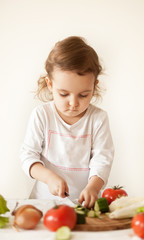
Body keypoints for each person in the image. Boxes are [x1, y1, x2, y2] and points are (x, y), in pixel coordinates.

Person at [20, 36, 114, 208]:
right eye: (64, 94)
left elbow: (103, 159)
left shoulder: (98, 119)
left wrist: (93, 187)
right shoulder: (42, 115)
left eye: (83, 94)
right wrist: (48, 177)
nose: (73, 103)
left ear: (94, 85)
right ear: (49, 84)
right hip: (42, 203)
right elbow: (27, 156)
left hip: (83, 204)